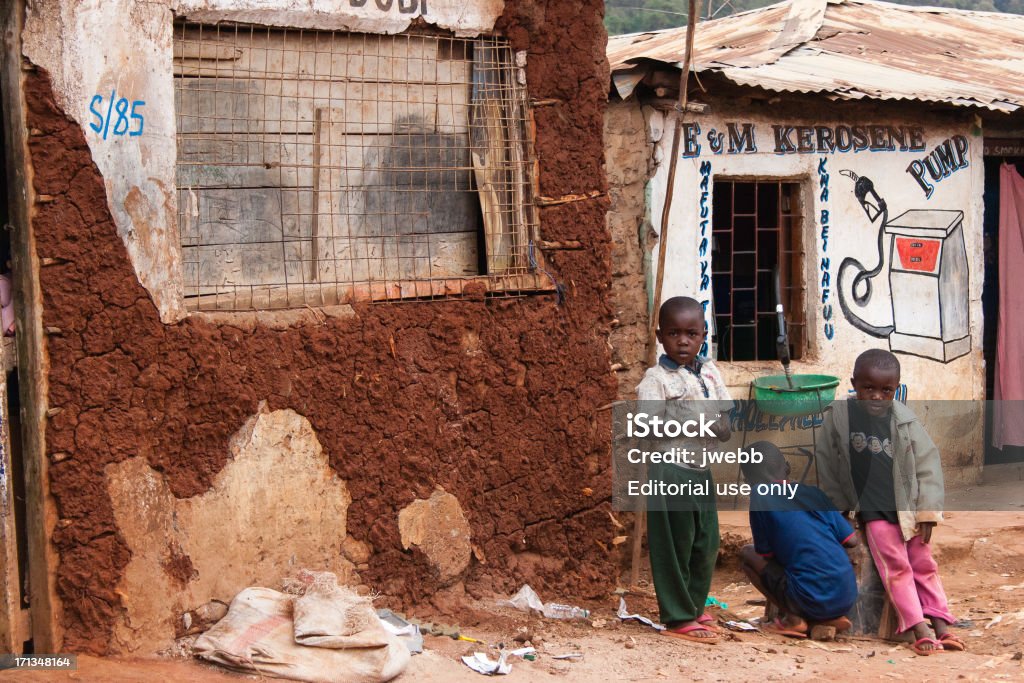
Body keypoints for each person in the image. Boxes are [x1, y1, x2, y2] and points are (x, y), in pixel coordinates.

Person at [815, 348, 964, 655]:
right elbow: (827, 463)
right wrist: (839, 508)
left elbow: (928, 466)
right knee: (895, 567)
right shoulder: (839, 418)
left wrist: (927, 513)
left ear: (896, 388)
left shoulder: (905, 422)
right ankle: (917, 626)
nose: (876, 397)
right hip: (873, 512)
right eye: (868, 388)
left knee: (924, 564)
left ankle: (942, 624)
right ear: (854, 383)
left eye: (886, 390)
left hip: (906, 509)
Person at [636, 296, 732, 644]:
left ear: (704, 335)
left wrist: (721, 426)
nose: (683, 341)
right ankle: (677, 616)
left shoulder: (709, 372)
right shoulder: (656, 379)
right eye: (674, 333)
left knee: (706, 542)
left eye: (691, 333)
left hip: (700, 469)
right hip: (669, 469)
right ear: (660, 336)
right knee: (674, 544)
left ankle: (694, 605)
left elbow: (724, 416)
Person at [739, 442, 858, 638]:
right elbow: (851, 541)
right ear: (787, 467)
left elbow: (764, 553)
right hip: (846, 596)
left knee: (746, 554)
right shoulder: (814, 493)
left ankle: (793, 619)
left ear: (748, 481)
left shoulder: (760, 497)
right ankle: (828, 616)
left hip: (807, 595)